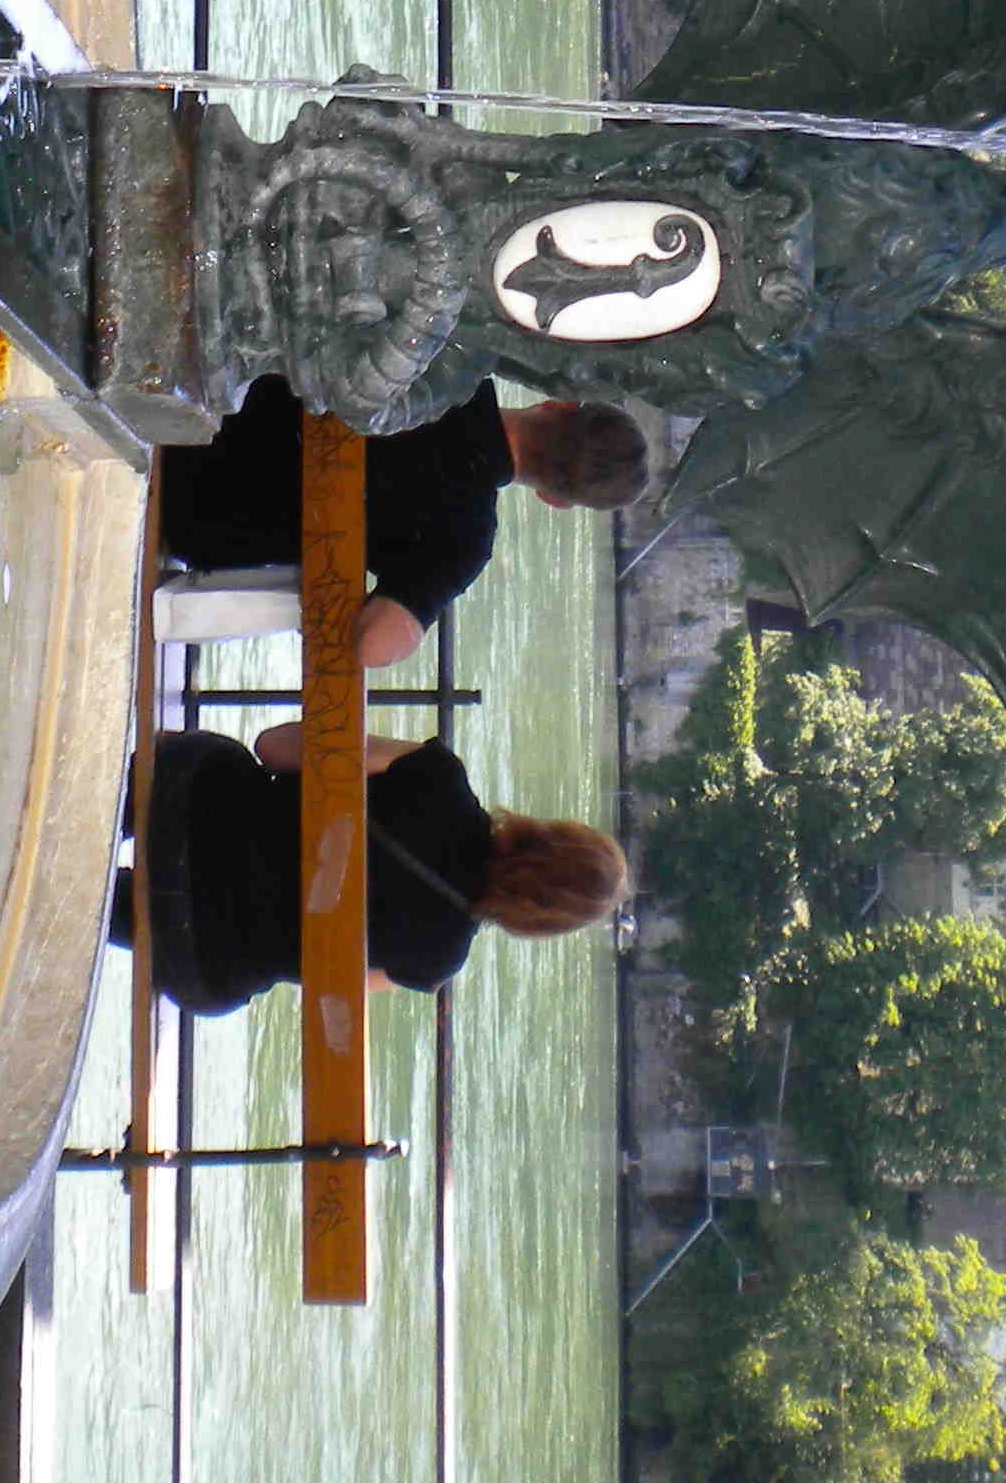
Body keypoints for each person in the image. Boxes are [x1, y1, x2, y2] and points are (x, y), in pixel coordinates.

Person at [113, 723, 624, 1010]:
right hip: (195, 948)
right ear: (539, 922)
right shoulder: (436, 961)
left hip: (190, 805)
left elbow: (274, 745)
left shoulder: (439, 779)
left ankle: (97, 805)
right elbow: (321, 979)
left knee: (209, 767)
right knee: (223, 954)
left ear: (551, 832)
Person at [157, 373, 649, 665]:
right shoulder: (464, 541)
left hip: (185, 405)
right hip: (190, 518)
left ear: (557, 403)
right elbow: (373, 646)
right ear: (555, 501)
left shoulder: (451, 366)